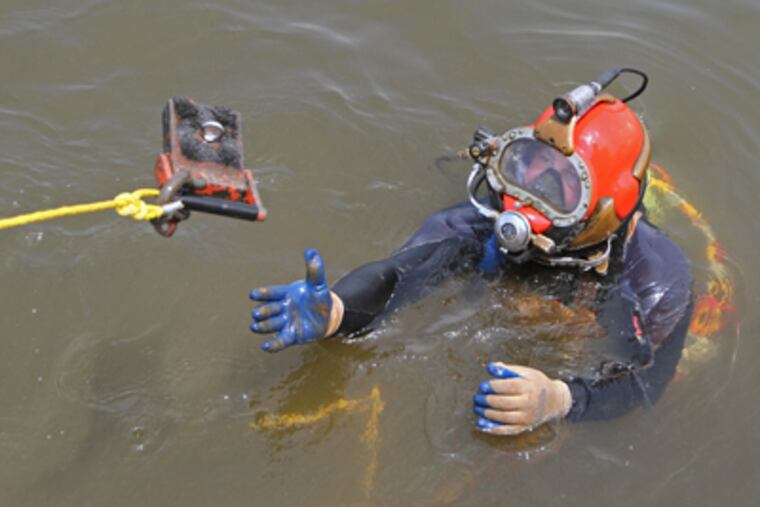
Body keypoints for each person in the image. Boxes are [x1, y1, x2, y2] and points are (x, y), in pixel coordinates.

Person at [248, 68, 693, 436]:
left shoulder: (654, 276)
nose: (521, 202)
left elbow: (644, 383)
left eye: (556, 189)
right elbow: (402, 275)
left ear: (602, 210)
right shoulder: (482, 221)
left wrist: (560, 399)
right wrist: (340, 312)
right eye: (524, 167)